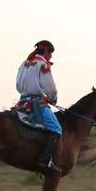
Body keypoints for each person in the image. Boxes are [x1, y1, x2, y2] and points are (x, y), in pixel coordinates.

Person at [14, 40, 62, 173]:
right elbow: (51, 88)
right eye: (50, 53)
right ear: (46, 51)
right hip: (37, 104)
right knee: (56, 128)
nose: (51, 57)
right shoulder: (43, 64)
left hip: (22, 103)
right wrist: (53, 99)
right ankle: (44, 161)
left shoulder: (24, 63)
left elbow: (18, 85)